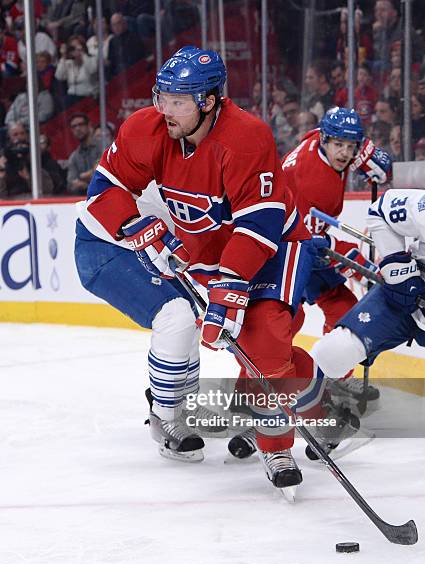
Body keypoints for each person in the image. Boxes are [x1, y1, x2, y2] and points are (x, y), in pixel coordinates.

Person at [74, 46, 330, 492]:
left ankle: (276, 446)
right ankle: (316, 400)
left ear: (209, 100)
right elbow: (107, 187)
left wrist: (230, 287)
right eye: (162, 96)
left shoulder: (247, 137)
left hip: (275, 246)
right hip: (212, 253)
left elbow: (260, 221)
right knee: (241, 346)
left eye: (178, 100)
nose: (165, 109)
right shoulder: (148, 128)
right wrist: (131, 221)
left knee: (263, 337)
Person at [281, 107, 392, 402]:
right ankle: (269, 379)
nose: (344, 153)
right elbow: (316, 245)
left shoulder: (318, 140)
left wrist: (366, 153)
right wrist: (358, 263)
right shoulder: (315, 182)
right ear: (325, 141)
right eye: (338, 145)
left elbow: (355, 150)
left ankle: (336, 376)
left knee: (342, 307)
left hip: (300, 238)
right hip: (285, 251)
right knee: (286, 320)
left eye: (350, 146)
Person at [311, 189, 425, 406]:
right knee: (334, 352)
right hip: (409, 293)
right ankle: (307, 416)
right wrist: (397, 267)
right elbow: (380, 209)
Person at [66, 113, 103, 195]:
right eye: (74, 126)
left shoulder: (103, 146)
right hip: (83, 199)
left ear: (89, 125)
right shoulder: (74, 156)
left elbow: (102, 175)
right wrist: (88, 175)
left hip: (105, 196)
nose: (77, 128)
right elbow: (71, 183)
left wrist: (82, 177)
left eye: (81, 124)